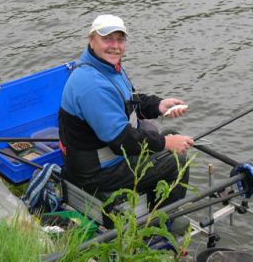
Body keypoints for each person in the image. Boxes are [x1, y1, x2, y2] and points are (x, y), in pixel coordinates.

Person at [59, 14, 194, 215]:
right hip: (95, 173)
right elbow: (122, 139)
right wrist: (165, 144)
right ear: (91, 40)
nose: (115, 46)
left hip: (110, 157)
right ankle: (162, 223)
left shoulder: (108, 67)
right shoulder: (91, 84)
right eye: (107, 39)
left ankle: (153, 202)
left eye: (120, 40)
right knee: (176, 160)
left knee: (171, 133)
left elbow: (129, 101)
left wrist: (158, 105)